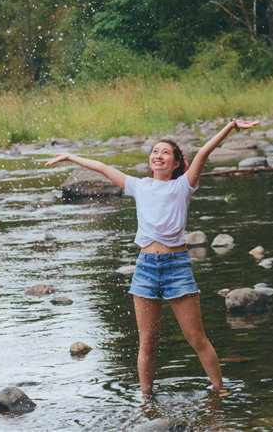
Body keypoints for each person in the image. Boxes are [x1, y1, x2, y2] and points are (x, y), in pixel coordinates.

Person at [46, 117, 260, 396]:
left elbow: (204, 152)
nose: (158, 156)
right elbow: (102, 167)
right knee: (147, 341)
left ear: (175, 164)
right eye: (155, 152)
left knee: (196, 337)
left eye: (165, 153)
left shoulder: (184, 185)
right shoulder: (138, 185)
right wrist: (70, 157)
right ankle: (146, 399)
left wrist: (230, 127)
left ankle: (220, 392)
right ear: (150, 160)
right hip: (145, 268)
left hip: (177, 267)